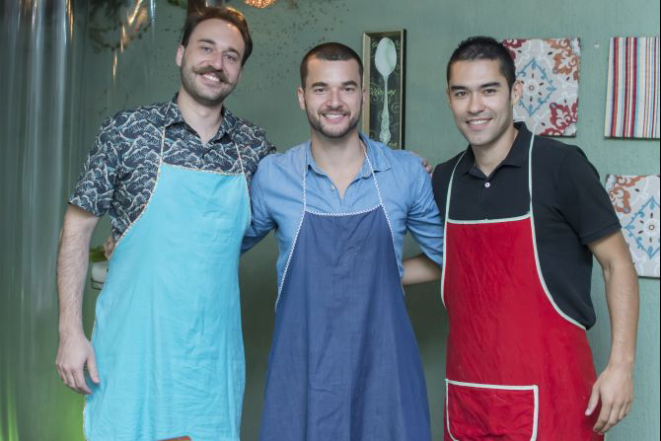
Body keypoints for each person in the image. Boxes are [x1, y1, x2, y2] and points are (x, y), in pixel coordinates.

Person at [55, 7, 274, 441]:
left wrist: (393, 167)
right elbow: (76, 231)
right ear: (180, 54)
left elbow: (304, 197)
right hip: (133, 352)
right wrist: (70, 332)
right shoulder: (127, 131)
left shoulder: (254, 149)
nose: (217, 63)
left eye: (232, 56)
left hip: (209, 362)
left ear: (240, 72)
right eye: (206, 48)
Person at [404, 36, 639, 439]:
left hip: (555, 399)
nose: (475, 106)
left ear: (514, 92)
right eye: (462, 93)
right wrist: (379, 271)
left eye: (488, 90)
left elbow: (617, 264)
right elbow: (455, 260)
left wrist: (620, 366)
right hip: (470, 403)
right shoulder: (444, 179)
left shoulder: (560, 167)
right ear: (449, 99)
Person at [241, 43, 444, 441]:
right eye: (321, 89)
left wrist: (389, 274)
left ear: (364, 97)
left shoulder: (404, 172)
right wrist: (132, 242)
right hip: (302, 373)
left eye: (347, 88)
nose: (334, 102)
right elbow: (216, 249)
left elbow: (454, 257)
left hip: (386, 373)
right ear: (302, 97)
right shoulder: (273, 176)